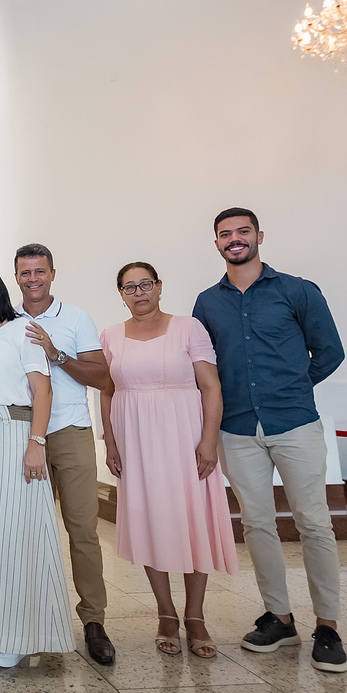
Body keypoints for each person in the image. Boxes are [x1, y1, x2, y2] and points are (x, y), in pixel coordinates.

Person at [193, 207, 347, 673]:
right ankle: (279, 617)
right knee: (257, 523)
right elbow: (205, 367)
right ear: (216, 244)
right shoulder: (207, 303)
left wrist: (293, 388)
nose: (234, 239)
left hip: (294, 423)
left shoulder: (298, 290)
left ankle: (328, 626)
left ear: (259, 235)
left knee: (313, 523)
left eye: (243, 231)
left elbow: (330, 351)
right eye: (225, 234)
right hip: (237, 428)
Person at [99, 262, 238, 658]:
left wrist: (209, 441)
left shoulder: (188, 328)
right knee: (150, 521)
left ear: (159, 287)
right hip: (136, 441)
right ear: (121, 294)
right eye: (129, 287)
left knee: (194, 519)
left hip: (185, 436)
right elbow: (106, 391)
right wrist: (110, 442)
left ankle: (195, 615)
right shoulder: (110, 335)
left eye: (145, 284)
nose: (139, 292)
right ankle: (166, 613)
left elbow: (210, 386)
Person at [0, 263, 75, 667]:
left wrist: (36, 443)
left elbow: (43, 391)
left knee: (16, 535)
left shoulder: (21, 330)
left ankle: (19, 637)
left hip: (14, 434)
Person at [12, 244, 117, 665]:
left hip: (70, 431)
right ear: (16, 277)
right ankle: (35, 618)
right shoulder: (5, 318)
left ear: (52, 273)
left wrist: (56, 354)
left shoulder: (75, 318)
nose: (32, 279)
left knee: (83, 530)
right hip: (22, 436)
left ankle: (94, 620)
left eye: (39, 271)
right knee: (28, 531)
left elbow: (102, 377)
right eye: (25, 273)